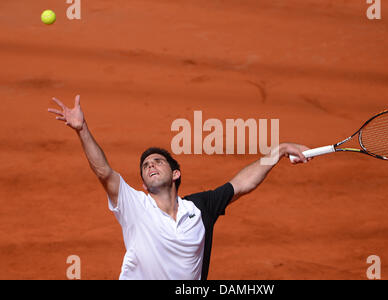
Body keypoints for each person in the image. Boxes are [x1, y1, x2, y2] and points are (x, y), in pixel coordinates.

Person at [48, 95, 311, 280]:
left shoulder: (200, 208)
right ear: (143, 184)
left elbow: (242, 183)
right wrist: (81, 130)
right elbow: (103, 171)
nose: (150, 165)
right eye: (145, 165)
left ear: (176, 173)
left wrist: (281, 150)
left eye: (157, 161)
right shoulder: (135, 207)